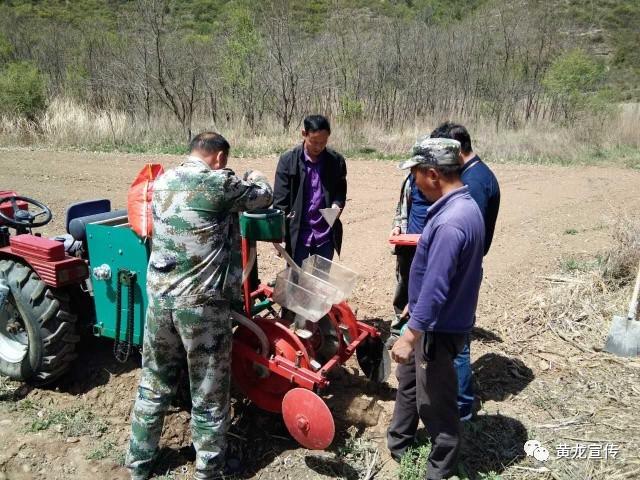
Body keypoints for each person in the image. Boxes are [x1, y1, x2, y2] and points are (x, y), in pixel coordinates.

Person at [126, 132, 273, 480]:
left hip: (160, 302)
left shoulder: (163, 182)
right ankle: (209, 470)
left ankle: (138, 463)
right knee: (208, 394)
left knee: (154, 383)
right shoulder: (218, 184)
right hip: (201, 309)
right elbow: (263, 196)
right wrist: (253, 175)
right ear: (220, 157)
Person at [387, 137, 485, 480]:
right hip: (433, 318)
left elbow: (439, 286)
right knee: (410, 382)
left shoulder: (450, 223)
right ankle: (399, 444)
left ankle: (439, 471)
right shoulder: (463, 207)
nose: (413, 184)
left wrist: (412, 334)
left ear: (432, 174)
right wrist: (414, 305)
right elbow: (441, 275)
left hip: (437, 329)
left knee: (438, 404)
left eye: (415, 175)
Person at [429, 122, 501, 421]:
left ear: (455, 152)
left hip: (461, 272)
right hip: (465, 269)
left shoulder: (477, 182)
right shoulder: (475, 175)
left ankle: (460, 410)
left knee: (456, 342)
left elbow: (467, 237)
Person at [273, 114, 347, 266]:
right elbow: (280, 202)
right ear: (304, 134)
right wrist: (279, 235)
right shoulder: (288, 160)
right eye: (314, 142)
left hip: (325, 235)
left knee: (320, 282)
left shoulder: (336, 161)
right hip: (298, 234)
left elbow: (341, 189)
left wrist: (337, 204)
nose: (319, 147)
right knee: (295, 280)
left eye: (323, 142)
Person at [389, 170, 431, 344]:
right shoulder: (410, 180)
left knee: (428, 288)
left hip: (432, 244)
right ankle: (398, 330)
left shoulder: (441, 182)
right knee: (404, 286)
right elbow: (402, 206)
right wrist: (398, 226)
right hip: (408, 244)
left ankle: (423, 334)